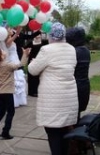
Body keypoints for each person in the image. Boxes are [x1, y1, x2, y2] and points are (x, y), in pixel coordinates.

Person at [28, 22, 78, 155]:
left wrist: (33, 62)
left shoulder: (47, 50)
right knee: (64, 130)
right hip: (68, 96)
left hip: (53, 98)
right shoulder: (71, 49)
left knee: (53, 132)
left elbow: (33, 70)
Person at [0, 47, 30, 140]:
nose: (4, 51)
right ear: (2, 56)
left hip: (0, 92)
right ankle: (5, 132)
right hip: (7, 92)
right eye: (3, 51)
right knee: (11, 112)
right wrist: (25, 54)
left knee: (2, 111)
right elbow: (21, 64)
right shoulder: (7, 65)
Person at [66, 27, 91, 120]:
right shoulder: (85, 50)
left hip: (74, 86)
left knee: (71, 117)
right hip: (84, 85)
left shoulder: (74, 52)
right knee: (76, 114)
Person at [6, 28, 27, 107]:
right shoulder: (7, 41)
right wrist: (17, 33)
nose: (11, 29)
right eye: (9, 29)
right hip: (11, 60)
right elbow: (11, 41)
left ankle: (19, 99)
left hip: (16, 59)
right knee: (14, 79)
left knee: (19, 78)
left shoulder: (12, 40)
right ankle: (13, 100)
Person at [24, 33, 48, 97]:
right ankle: (31, 91)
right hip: (31, 60)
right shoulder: (31, 42)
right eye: (36, 34)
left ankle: (38, 91)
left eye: (39, 34)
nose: (38, 36)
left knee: (38, 75)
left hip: (39, 60)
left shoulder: (44, 42)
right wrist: (28, 52)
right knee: (31, 75)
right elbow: (25, 49)